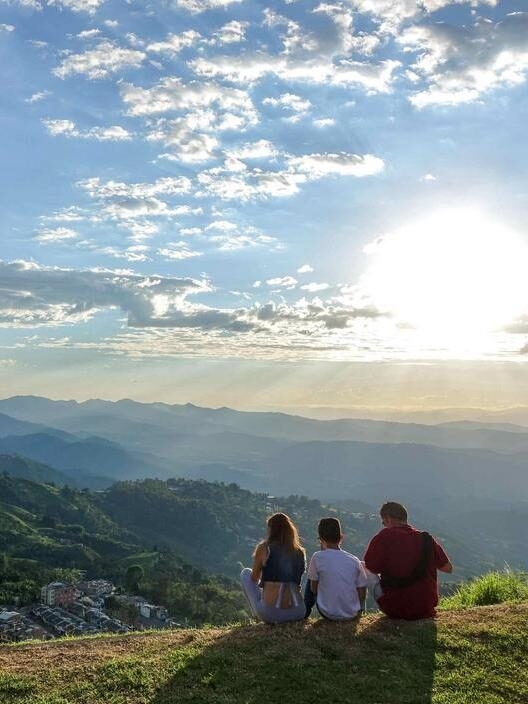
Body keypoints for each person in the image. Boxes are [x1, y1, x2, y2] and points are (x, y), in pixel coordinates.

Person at [363, 501, 453, 620]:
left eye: (383, 522)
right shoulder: (427, 539)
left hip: (395, 608)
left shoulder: (383, 537)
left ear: (389, 519)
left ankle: (358, 612)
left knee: (362, 566)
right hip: (425, 607)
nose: (384, 525)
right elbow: (448, 568)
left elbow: (372, 567)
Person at [240, 512, 306, 624]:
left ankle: (257, 616)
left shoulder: (264, 548)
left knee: (245, 573)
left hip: (272, 614)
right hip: (298, 612)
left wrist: (265, 576)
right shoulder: (300, 552)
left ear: (271, 530)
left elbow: (254, 578)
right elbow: (297, 583)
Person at [304, 517, 367, 621]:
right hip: (352, 613)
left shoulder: (317, 557)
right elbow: (362, 589)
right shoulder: (354, 560)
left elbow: (313, 589)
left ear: (321, 539)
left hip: (327, 613)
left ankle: (305, 611)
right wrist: (359, 608)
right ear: (341, 537)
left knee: (311, 579)